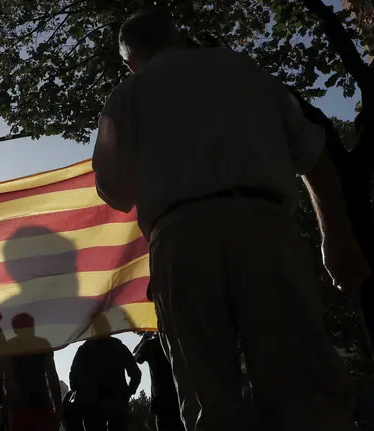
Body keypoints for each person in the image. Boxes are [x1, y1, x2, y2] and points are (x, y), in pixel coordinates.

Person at [92, 7, 370, 431]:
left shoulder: (127, 97)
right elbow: (314, 157)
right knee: (306, 388)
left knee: (210, 397)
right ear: (179, 35)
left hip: (181, 241)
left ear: (129, 61)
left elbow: (115, 190)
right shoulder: (245, 71)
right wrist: (336, 238)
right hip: (265, 228)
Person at [69, 318, 140, 431]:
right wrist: (128, 393)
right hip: (116, 404)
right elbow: (135, 374)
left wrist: (82, 393)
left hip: (92, 407)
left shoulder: (84, 350)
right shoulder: (118, 347)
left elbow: (73, 378)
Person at [0, 313, 62, 431]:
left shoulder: (10, 346)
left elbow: (8, 379)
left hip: (21, 405)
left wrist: (7, 409)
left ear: (15, 329)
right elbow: (52, 377)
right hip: (40, 402)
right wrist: (58, 406)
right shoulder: (42, 344)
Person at [133, 332, 184, 431]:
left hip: (161, 399)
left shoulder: (150, 344)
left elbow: (135, 357)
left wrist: (145, 337)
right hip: (180, 397)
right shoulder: (177, 341)